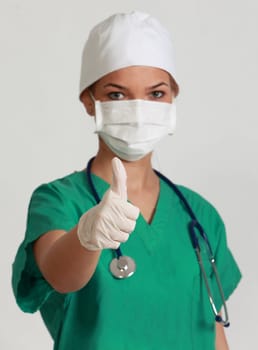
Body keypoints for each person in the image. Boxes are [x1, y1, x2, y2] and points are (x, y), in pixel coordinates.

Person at [12, 11, 241, 350]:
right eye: (117, 94)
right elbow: (61, 276)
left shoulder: (199, 214)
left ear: (173, 97)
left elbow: (211, 328)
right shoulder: (59, 201)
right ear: (89, 101)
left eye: (156, 94)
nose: (138, 109)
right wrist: (87, 238)